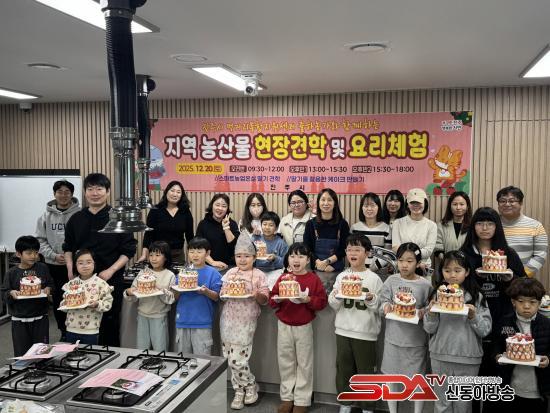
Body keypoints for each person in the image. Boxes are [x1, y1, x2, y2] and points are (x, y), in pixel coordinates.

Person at [62, 173, 137, 347]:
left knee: (109, 324)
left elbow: (129, 250)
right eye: (90, 189)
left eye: (99, 189)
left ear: (108, 191)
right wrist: (70, 269)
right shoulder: (76, 218)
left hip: (110, 279)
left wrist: (111, 270)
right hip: (81, 281)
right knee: (79, 322)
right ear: (85, 192)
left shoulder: (118, 218)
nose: (94, 193)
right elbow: (68, 247)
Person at [424, 250, 492, 413]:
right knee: (442, 404)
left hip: (468, 358)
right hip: (440, 355)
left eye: (457, 270)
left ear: (467, 272)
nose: (452, 275)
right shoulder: (437, 295)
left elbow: (485, 330)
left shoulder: (476, 296)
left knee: (463, 405)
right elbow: (429, 328)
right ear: (441, 272)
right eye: (447, 270)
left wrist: (473, 316)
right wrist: (431, 313)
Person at [270, 242, 328, 413]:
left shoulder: (313, 279)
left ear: (308, 260)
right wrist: (279, 298)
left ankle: (302, 399)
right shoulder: (283, 278)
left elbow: (322, 302)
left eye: (301, 256)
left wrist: (307, 299)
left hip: (304, 325)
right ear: (288, 259)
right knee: (285, 362)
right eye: (293, 256)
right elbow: (272, 300)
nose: (296, 260)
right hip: (284, 325)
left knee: (304, 363)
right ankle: (287, 397)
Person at [328, 234, 383, 413]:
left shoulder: (373, 279)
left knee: (366, 372)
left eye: (357, 250)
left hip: (366, 332)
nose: (353, 253)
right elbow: (333, 304)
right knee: (343, 369)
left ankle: (368, 407)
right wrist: (336, 297)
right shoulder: (342, 276)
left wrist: (371, 298)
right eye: (349, 249)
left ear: (367, 253)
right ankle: (345, 404)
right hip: (343, 330)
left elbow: (380, 307)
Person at [379, 243, 432, 413]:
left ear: (418, 263)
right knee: (391, 378)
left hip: (415, 342)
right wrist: (386, 306)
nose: (404, 265)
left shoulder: (425, 285)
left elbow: (431, 308)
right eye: (401, 260)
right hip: (393, 340)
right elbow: (382, 301)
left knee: (417, 380)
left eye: (409, 261)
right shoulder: (391, 281)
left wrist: (424, 311)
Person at [220, 234, 269, 410]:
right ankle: (239, 390)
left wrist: (257, 295)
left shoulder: (259, 275)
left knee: (238, 360)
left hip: (246, 321)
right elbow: (223, 295)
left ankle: (250, 385)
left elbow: (265, 300)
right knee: (229, 358)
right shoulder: (230, 273)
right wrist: (225, 292)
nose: (242, 259)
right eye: (238, 256)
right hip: (227, 320)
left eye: (246, 256)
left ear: (254, 258)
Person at [493, 278, 550, 410]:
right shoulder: (504, 322)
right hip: (510, 388)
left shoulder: (546, 325)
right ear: (513, 302)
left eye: (532, 302)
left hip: (537, 390)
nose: (526, 306)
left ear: (539, 303)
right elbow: (495, 345)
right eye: (521, 301)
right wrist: (497, 356)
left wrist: (548, 359)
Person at [35, 180, 80, 341]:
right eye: (60, 192)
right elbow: (40, 240)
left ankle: (78, 330)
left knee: (77, 297)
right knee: (59, 299)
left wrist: (72, 257)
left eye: (67, 192)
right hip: (53, 265)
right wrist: (54, 255)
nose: (63, 195)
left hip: (76, 265)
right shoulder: (45, 216)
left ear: (72, 194)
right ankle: (63, 331)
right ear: (54, 194)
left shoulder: (79, 214)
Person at [1, 236, 53, 357]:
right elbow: (4, 293)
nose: (33, 256)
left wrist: (48, 289)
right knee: (22, 354)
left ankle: (41, 368)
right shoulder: (12, 273)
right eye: (29, 253)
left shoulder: (42, 268)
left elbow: (51, 284)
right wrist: (11, 293)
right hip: (19, 319)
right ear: (18, 254)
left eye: (36, 252)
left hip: (40, 317)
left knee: (42, 352)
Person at [174, 237, 222, 355]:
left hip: (202, 322)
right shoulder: (183, 273)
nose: (195, 255)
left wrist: (206, 292)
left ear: (208, 253)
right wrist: (176, 289)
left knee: (202, 360)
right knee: (183, 359)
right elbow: (175, 297)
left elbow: (217, 297)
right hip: (182, 321)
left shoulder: (213, 273)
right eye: (191, 251)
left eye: (199, 252)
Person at [124, 241, 176, 351]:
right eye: (151, 255)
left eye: (157, 255)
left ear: (166, 257)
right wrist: (128, 292)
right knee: (142, 348)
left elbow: (171, 299)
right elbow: (134, 295)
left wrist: (159, 290)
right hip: (142, 315)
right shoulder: (143, 273)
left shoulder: (170, 275)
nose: (153, 258)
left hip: (159, 316)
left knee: (160, 349)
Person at [61, 249, 113, 345]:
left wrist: (97, 304)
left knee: (90, 353)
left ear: (94, 264)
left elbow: (108, 304)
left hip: (91, 330)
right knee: (72, 353)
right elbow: (64, 305)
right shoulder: (72, 284)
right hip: (71, 328)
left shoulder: (101, 283)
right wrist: (66, 303)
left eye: (88, 262)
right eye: (80, 263)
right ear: (75, 265)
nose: (85, 266)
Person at [497, 186, 548, 279]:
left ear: (521, 203)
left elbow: (540, 255)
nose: (507, 204)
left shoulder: (536, 226)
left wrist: (522, 275)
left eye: (512, 201)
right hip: (493, 279)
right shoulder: (491, 225)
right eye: (503, 201)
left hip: (522, 280)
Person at [139, 180, 194, 265]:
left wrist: (193, 256)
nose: (175, 194)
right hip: (158, 254)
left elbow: (190, 236)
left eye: (178, 192)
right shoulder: (155, 210)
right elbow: (148, 234)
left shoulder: (185, 211)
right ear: (166, 192)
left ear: (181, 195)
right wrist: (144, 254)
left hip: (177, 254)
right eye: (172, 191)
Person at [303, 188, 350, 273]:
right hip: (316, 268)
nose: (326, 203)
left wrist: (327, 262)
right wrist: (319, 263)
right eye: (323, 200)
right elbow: (307, 248)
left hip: (336, 269)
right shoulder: (310, 224)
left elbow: (344, 248)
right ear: (318, 203)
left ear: (335, 203)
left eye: (329, 200)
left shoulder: (343, 224)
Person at [392, 188, 437, 272]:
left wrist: (408, 256)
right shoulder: (397, 223)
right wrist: (413, 256)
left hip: (423, 269)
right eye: (412, 202)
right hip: (403, 268)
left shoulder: (432, 225)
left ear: (425, 203)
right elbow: (395, 247)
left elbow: (428, 251)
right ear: (407, 204)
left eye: (419, 202)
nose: (415, 205)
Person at [196, 193, 240, 272]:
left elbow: (235, 247)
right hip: (208, 266)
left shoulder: (232, 224)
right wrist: (212, 262)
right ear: (212, 206)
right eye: (217, 205)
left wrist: (226, 228)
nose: (220, 208)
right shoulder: (203, 224)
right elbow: (199, 247)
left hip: (229, 267)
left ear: (227, 209)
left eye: (224, 206)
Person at [252, 211, 288, 276]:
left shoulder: (281, 243)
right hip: (257, 270)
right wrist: (253, 237)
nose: (267, 227)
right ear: (261, 225)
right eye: (264, 224)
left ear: (276, 228)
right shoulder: (256, 238)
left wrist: (275, 258)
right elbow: (247, 255)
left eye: (271, 225)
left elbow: (286, 263)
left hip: (275, 271)